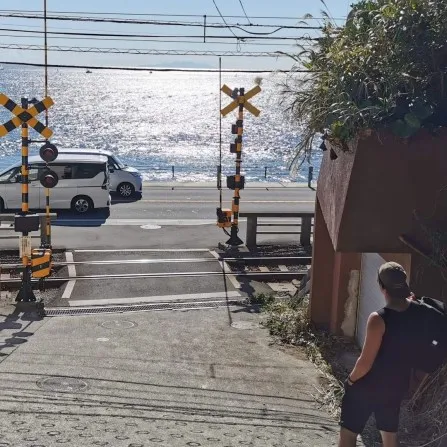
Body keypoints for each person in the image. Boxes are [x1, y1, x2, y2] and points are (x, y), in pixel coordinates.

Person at [339, 261, 420, 447]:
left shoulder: (379, 319)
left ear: (382, 287)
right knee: (389, 437)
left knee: (348, 433)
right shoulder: (417, 312)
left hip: (368, 385)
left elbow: (365, 363)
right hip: (396, 385)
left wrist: (350, 381)